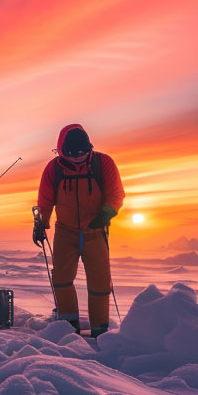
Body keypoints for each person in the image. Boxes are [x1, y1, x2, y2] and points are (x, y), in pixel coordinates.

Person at [33, 124, 124, 337]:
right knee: (62, 279)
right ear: (63, 150)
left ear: (89, 148)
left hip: (95, 232)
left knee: (100, 282)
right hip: (66, 232)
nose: (78, 158)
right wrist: (41, 224)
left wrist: (107, 212)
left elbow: (116, 193)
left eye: (82, 153)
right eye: (73, 154)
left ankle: (100, 329)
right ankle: (68, 326)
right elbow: (45, 200)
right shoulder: (53, 169)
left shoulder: (103, 163)